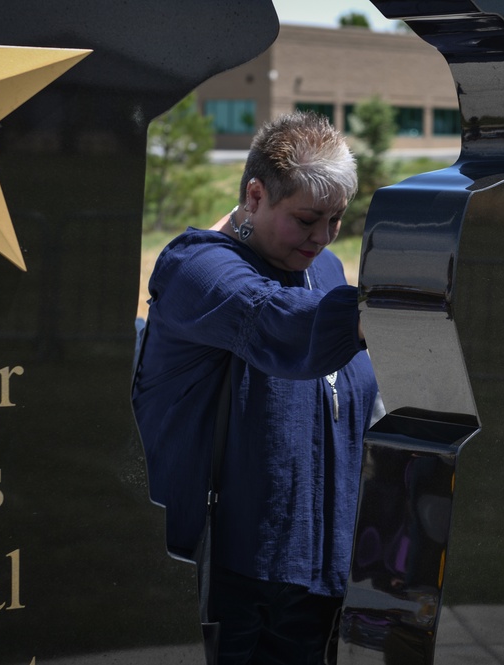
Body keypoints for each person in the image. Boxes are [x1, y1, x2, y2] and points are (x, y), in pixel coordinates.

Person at [132, 111, 379, 664]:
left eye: (336, 220)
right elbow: (275, 318)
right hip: (232, 569)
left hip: (319, 567)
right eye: (307, 219)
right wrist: (384, 311)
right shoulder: (198, 270)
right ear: (255, 194)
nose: (321, 237)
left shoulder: (328, 270)